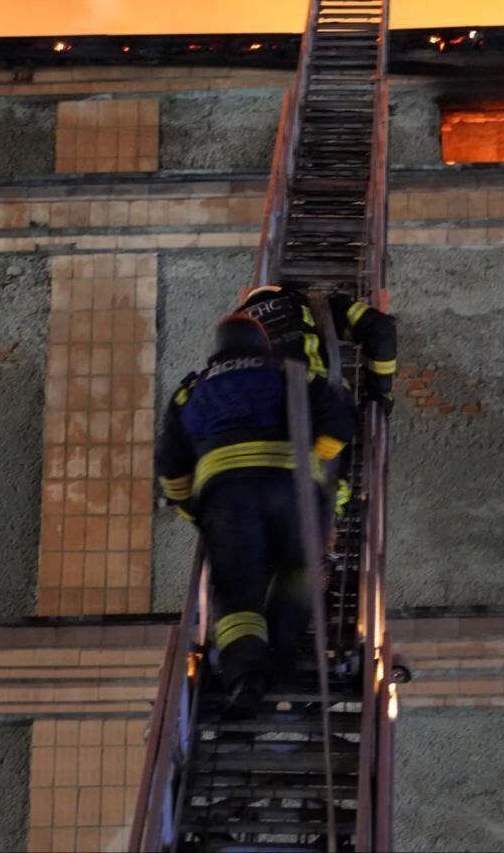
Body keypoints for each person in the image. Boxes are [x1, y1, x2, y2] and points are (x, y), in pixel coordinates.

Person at [155, 314, 355, 718]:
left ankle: (246, 677)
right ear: (263, 345)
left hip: (229, 500)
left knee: (238, 592)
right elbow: (340, 424)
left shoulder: (189, 392)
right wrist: (317, 465)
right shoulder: (293, 374)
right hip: (295, 493)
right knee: (297, 574)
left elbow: (171, 468)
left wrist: (194, 513)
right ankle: (284, 654)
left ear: (217, 350)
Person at [238, 284, 396, 517]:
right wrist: (378, 394)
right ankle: (331, 512)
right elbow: (381, 329)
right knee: (330, 450)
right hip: (319, 409)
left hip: (257, 427)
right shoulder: (316, 307)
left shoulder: (232, 332)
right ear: (286, 291)